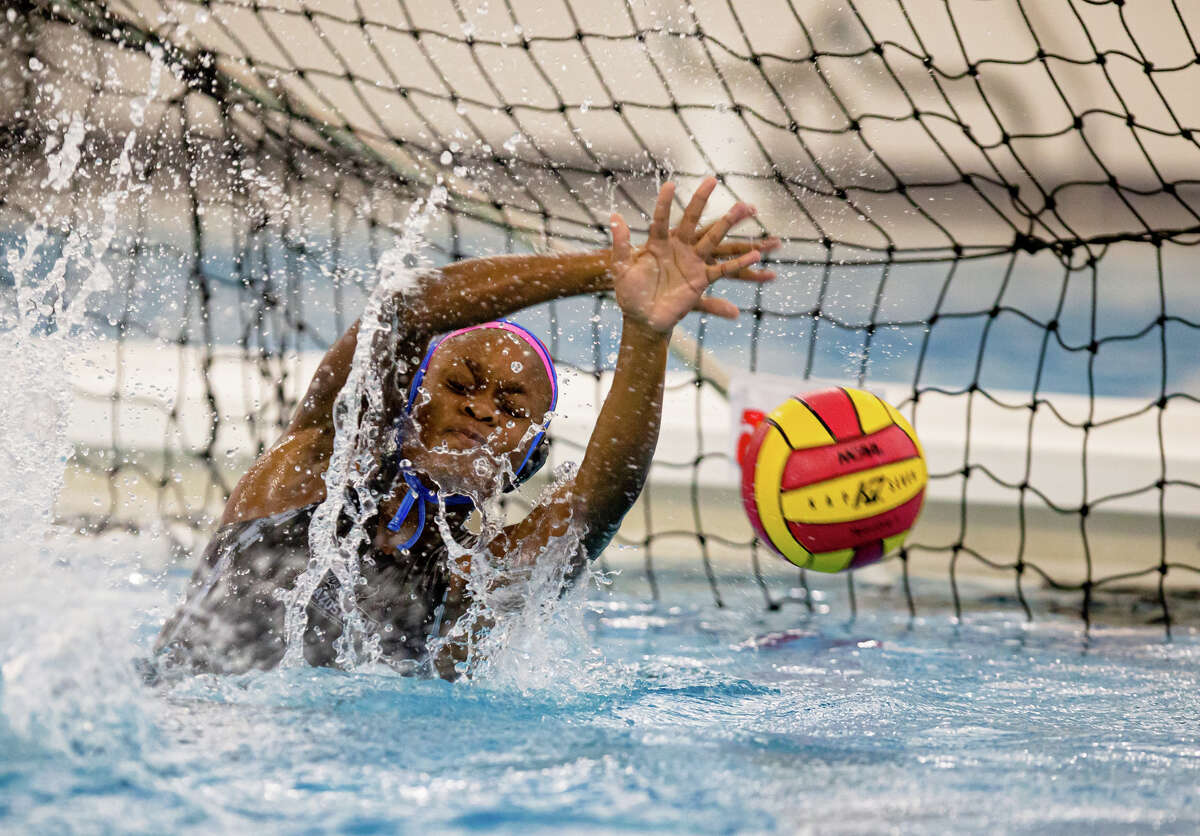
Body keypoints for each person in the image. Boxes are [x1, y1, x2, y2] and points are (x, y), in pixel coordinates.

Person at [153, 178, 778, 678]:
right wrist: (609, 270)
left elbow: (598, 499)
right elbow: (405, 313)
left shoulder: (474, 582)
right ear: (402, 403)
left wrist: (647, 330)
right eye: (459, 385)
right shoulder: (308, 472)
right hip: (183, 722)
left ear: (526, 462)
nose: (481, 410)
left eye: (510, 408)